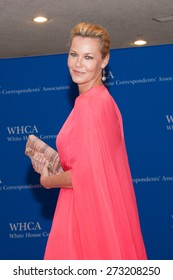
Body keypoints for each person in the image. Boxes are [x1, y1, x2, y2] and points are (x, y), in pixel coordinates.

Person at [32, 22, 147, 260]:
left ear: (104, 61)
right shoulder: (104, 102)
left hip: (83, 217)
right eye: (74, 54)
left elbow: (85, 175)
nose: (77, 64)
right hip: (101, 214)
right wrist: (54, 163)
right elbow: (96, 166)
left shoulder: (90, 106)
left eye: (88, 57)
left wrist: (48, 180)